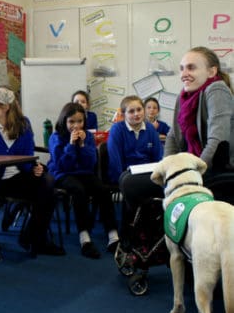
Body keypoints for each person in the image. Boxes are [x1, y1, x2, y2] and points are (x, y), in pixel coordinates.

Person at [0, 87, 63, 256]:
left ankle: (31, 236)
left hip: (19, 176)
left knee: (48, 184)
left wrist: (34, 168)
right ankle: (36, 240)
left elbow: (28, 153)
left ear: (5, 107)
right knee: (45, 191)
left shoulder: (23, 123)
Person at [48, 103, 119, 258]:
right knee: (78, 190)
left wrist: (82, 145)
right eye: (71, 122)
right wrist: (72, 145)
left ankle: (113, 235)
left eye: (80, 121)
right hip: (62, 174)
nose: (76, 126)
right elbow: (62, 165)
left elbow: (90, 163)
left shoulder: (87, 135)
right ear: (64, 121)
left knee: (104, 190)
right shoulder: (56, 137)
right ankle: (84, 237)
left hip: (83, 173)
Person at [164, 46, 234, 180]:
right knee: (128, 178)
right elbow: (173, 136)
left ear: (211, 72)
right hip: (194, 166)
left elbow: (217, 140)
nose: (184, 74)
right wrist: (168, 169)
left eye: (191, 68)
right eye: (182, 68)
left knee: (132, 184)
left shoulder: (216, 89)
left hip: (217, 170)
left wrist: (193, 174)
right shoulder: (184, 96)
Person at [107, 95, 163, 245]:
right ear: (124, 114)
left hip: (148, 173)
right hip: (125, 174)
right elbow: (115, 160)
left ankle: (151, 231)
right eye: (131, 111)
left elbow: (158, 157)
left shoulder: (150, 129)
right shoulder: (117, 130)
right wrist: (120, 178)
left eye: (139, 109)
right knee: (132, 187)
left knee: (161, 187)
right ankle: (130, 232)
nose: (136, 114)